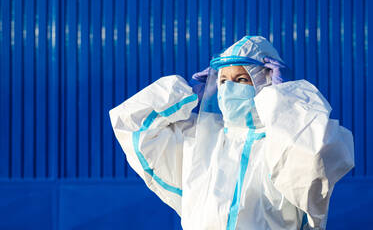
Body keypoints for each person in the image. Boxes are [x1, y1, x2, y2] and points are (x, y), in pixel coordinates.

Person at [109, 36, 354, 230]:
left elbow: (316, 160)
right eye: (223, 81)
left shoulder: (284, 142)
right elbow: (132, 123)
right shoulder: (203, 139)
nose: (229, 88)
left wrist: (284, 101)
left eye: (241, 80)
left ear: (267, 82)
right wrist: (187, 93)